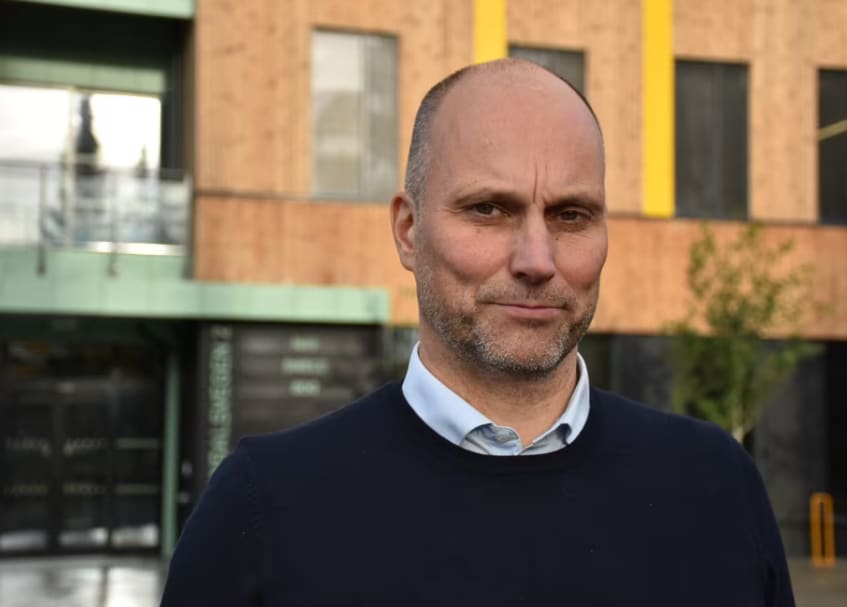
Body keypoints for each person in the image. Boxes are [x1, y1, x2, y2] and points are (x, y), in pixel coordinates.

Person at [161, 59, 795, 606]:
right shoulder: (263, 509)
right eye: (488, 209)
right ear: (408, 231)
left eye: (571, 215)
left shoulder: (716, 487)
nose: (536, 260)